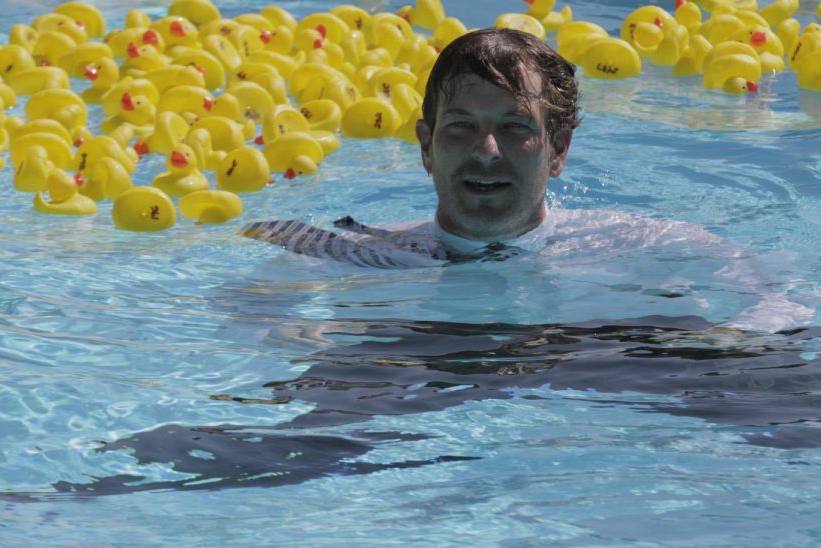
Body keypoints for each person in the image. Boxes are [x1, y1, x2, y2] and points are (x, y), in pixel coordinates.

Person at [241, 28, 813, 331]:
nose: (486, 151)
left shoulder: (637, 241)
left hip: (596, 367)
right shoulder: (359, 253)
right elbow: (248, 302)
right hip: (418, 367)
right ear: (426, 147)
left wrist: (730, 340)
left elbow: (779, 300)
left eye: (515, 129)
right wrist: (295, 335)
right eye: (461, 127)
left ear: (558, 150)